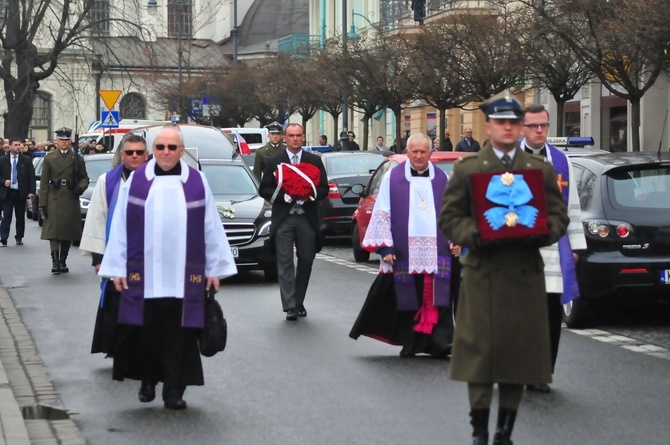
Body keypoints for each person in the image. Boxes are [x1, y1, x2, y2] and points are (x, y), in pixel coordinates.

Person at [438, 90, 569, 445]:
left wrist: (540, 232)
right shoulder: (467, 170)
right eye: (501, 122)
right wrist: (477, 233)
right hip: (483, 273)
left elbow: (559, 217)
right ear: (489, 126)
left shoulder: (539, 171)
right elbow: (450, 218)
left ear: (520, 126)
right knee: (480, 355)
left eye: (514, 122)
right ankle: (479, 429)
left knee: (517, 355)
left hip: (524, 273)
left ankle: (504, 431)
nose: (508, 128)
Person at [98, 125, 237, 410]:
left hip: (183, 275)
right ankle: (147, 380)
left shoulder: (197, 181)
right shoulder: (136, 181)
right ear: (154, 150)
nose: (165, 152)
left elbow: (211, 226)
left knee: (180, 336)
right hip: (144, 274)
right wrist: (117, 269)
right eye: (160, 147)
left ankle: (174, 390)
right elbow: (121, 227)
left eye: (172, 147)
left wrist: (214, 269)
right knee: (146, 333)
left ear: (181, 151)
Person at [350, 133, 460, 358]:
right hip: (403, 250)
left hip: (436, 250)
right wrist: (385, 247)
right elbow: (382, 211)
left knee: (438, 296)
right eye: (415, 151)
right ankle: (410, 342)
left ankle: (439, 343)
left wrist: (456, 239)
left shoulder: (442, 179)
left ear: (431, 153)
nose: (419, 156)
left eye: (424, 152)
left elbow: (452, 213)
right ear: (407, 152)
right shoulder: (393, 177)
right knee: (409, 297)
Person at [521, 104, 586, 393]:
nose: (539, 131)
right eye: (533, 126)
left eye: (543, 126)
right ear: (522, 127)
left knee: (548, 314)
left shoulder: (562, 161)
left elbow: (572, 206)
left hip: (552, 250)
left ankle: (542, 372)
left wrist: (576, 246)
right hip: (516, 250)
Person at [80, 134, 150, 357]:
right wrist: (98, 259)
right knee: (116, 300)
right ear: (122, 155)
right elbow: (97, 219)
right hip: (116, 254)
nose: (135, 156)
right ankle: (119, 349)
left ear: (147, 154)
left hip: (148, 255)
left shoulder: (158, 181)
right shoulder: (106, 181)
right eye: (130, 152)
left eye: (139, 152)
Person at [258, 123, 328, 320]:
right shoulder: (274, 162)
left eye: (298, 135)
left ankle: (298, 301)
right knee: (285, 261)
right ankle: (289, 306)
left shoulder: (314, 160)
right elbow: (264, 189)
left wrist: (310, 196)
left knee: (306, 259)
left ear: (303, 137)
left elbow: (323, 187)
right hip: (284, 218)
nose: (295, 139)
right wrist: (285, 197)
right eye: (291, 135)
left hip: (307, 216)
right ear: (284, 138)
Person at [39, 127, 90, 274]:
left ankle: (63, 260)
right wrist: (43, 203)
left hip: (69, 196)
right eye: (61, 140)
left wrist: (80, 187)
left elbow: (84, 177)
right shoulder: (49, 158)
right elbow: (43, 182)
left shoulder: (77, 159)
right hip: (54, 197)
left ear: (70, 141)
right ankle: (55, 261)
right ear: (56, 141)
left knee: (68, 231)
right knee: (54, 232)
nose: (64, 143)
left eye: (66, 140)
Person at [0, 137, 36, 246]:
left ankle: (19, 236)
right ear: (9, 146)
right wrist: (3, 181)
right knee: (7, 215)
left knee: (20, 216)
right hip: (8, 192)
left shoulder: (26, 159)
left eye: (19, 145)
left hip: (21, 192)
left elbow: (31, 177)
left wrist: (31, 191)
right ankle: (4, 237)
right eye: (15, 145)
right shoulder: (2, 160)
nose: (18, 147)